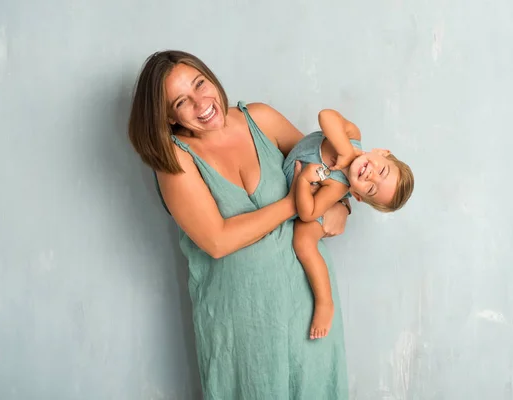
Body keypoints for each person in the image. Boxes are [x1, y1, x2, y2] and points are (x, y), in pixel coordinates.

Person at [127, 50, 350, 399]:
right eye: (182, 101)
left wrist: (343, 205)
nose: (202, 102)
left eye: (200, 83)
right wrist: (294, 204)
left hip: (308, 306)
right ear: (169, 118)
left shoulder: (260, 118)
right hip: (242, 321)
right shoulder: (176, 160)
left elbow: (325, 161)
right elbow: (217, 240)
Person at [283, 109, 415, 340]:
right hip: (291, 163)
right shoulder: (352, 135)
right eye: (382, 169)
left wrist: (303, 181)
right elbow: (326, 116)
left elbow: (308, 213)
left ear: (359, 196)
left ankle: (325, 302)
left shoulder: (337, 187)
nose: (370, 175)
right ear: (382, 152)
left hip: (302, 191)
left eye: (372, 188)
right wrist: (344, 151)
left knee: (303, 241)